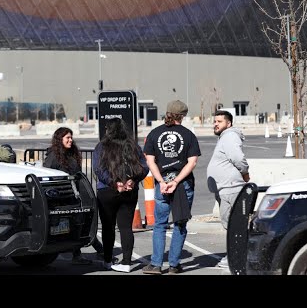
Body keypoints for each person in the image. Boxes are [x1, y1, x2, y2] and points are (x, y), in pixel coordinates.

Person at [142, 100, 201, 275]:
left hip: (162, 184)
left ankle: (156, 264)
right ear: (182, 116)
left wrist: (161, 181)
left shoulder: (154, 133)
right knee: (180, 224)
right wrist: (176, 182)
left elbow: (150, 160)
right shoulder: (188, 135)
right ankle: (174, 265)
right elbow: (192, 162)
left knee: (159, 224)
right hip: (183, 185)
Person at [92, 118, 148, 272]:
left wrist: (114, 183)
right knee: (125, 227)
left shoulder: (101, 146)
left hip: (107, 191)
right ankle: (127, 262)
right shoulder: (133, 146)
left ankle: (108, 260)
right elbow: (144, 167)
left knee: (108, 227)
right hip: (129, 191)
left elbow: (98, 169)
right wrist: (132, 180)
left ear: (109, 130)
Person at [43, 126, 103, 264]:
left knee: (82, 222)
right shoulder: (53, 156)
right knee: (77, 224)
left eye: (71, 138)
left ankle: (88, 252)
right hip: (61, 197)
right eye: (67, 138)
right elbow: (46, 175)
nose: (70, 140)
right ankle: (90, 252)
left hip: (74, 195)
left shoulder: (72, 154)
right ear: (60, 139)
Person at [206, 110, 250, 269]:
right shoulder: (225, 137)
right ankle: (237, 256)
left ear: (228, 123)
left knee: (233, 225)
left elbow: (237, 158)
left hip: (231, 189)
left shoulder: (230, 136)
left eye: (219, 121)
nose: (215, 124)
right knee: (231, 225)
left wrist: (245, 172)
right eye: (215, 121)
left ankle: (237, 258)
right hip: (225, 189)